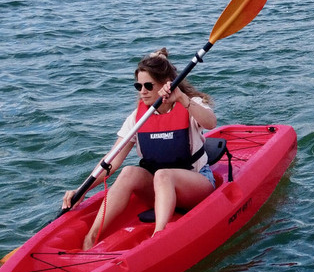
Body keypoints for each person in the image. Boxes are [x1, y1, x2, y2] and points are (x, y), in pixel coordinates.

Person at [63, 49, 217, 249]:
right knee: (128, 172)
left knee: (163, 175)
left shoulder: (190, 104)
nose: (142, 91)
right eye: (138, 85)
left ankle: (159, 237)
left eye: (148, 86)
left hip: (196, 182)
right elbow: (112, 160)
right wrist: (82, 190)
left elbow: (211, 123)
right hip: (158, 190)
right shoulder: (137, 118)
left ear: (166, 84)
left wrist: (181, 98)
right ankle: (91, 237)